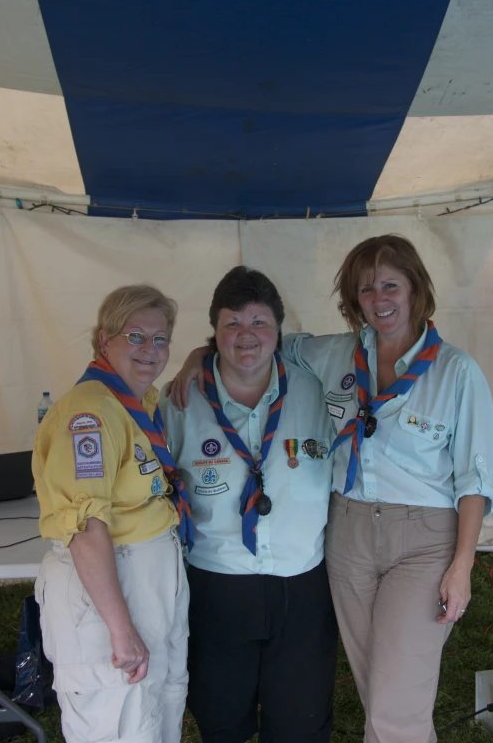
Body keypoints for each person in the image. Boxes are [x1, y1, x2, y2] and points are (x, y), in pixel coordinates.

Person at [171, 236, 493, 743]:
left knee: (397, 701)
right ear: (354, 299)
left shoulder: (455, 370)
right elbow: (262, 339)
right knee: (377, 685)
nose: (379, 298)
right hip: (347, 534)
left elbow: (475, 479)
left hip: (421, 537)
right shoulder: (333, 355)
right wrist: (202, 350)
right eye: (366, 288)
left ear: (415, 288)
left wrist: (463, 565)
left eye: (390, 284)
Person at [160, 266, 337, 743]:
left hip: (301, 584)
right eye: (231, 323)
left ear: (279, 330)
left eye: (259, 322)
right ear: (213, 332)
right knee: (221, 719)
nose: (246, 336)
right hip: (216, 583)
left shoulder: (316, 390)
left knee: (299, 722)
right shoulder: (180, 400)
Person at [33, 284, 193, 743]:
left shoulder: (136, 403)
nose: (150, 350)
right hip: (108, 587)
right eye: (135, 336)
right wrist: (120, 630)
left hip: (144, 578)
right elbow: (85, 528)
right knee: (117, 721)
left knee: (156, 711)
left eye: (160, 339)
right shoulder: (91, 412)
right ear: (104, 340)